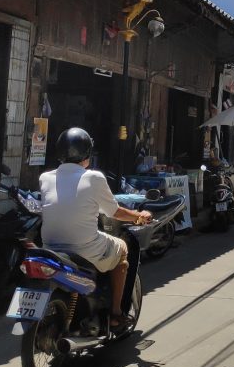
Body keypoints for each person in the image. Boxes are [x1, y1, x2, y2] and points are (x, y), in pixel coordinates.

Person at [39, 127, 153, 330]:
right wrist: (139, 217)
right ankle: (116, 314)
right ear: (87, 154)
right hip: (84, 250)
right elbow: (115, 212)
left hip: (51, 248)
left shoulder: (45, 178)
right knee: (122, 250)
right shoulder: (94, 178)